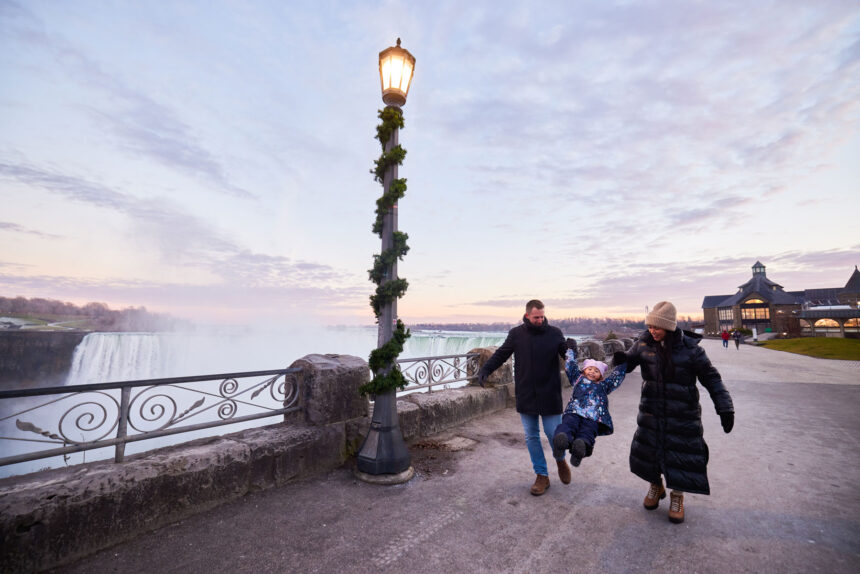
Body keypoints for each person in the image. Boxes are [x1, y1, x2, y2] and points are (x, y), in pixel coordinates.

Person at [625, 301, 735, 524]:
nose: (651, 331)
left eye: (656, 327)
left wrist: (724, 406)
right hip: (651, 411)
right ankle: (656, 486)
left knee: (680, 454)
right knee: (649, 451)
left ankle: (677, 496)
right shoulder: (643, 344)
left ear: (668, 326)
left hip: (682, 413)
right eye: (649, 326)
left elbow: (712, 378)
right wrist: (606, 369)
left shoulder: (691, 350)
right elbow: (625, 364)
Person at [477, 300, 569, 496]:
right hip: (526, 393)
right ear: (527, 315)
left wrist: (572, 348)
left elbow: (567, 354)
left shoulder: (554, 333)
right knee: (531, 437)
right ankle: (542, 475)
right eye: (536, 317)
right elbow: (501, 354)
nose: (540, 320)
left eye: (542, 316)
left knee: (554, 436)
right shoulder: (516, 334)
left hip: (550, 393)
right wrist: (485, 369)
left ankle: (560, 460)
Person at [552, 342, 628, 469]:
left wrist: (623, 364)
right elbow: (570, 366)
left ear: (601, 375)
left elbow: (616, 378)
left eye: (596, 371)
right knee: (568, 425)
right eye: (590, 369)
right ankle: (562, 441)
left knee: (587, 432)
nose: (592, 372)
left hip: (594, 417)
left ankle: (580, 449)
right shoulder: (577, 378)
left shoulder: (604, 385)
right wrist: (571, 350)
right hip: (574, 411)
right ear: (584, 370)